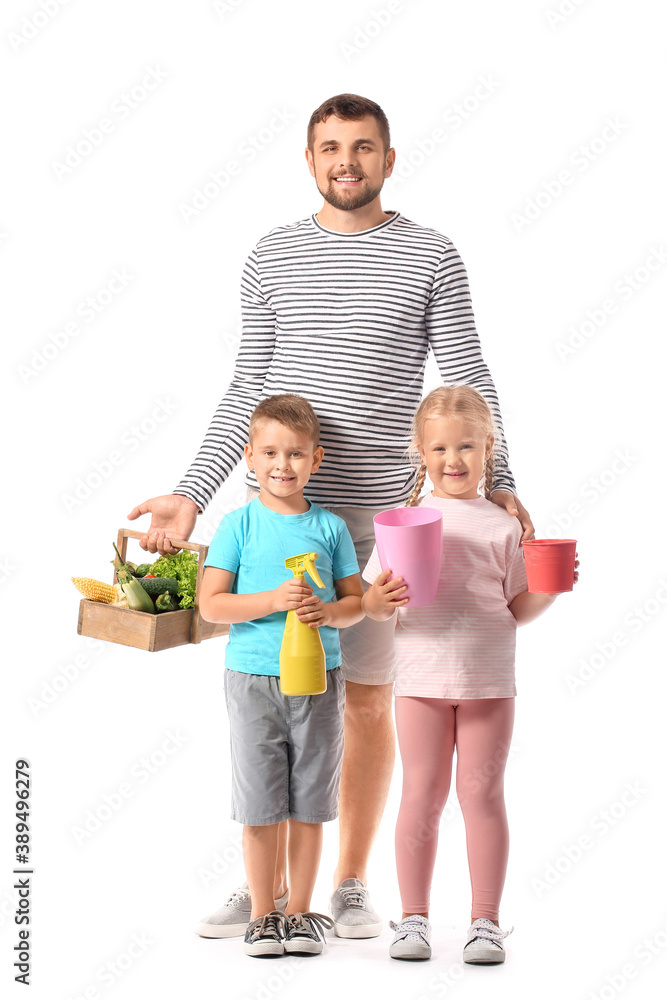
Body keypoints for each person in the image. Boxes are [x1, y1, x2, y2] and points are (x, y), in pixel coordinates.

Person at [127, 93, 535, 938]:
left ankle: (346, 881)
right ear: (309, 161)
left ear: (389, 159)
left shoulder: (430, 255)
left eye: (361, 147)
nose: (344, 161)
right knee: (272, 701)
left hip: (383, 534)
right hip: (277, 528)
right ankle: (268, 883)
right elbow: (247, 383)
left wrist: (503, 480)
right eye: (328, 148)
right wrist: (193, 490)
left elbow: (464, 370)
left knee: (368, 701)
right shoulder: (272, 255)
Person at [362, 385, 578, 964]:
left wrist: (549, 590)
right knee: (422, 795)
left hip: (487, 680)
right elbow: (373, 601)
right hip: (420, 679)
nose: (452, 460)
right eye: (439, 448)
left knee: (482, 795)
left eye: (465, 447)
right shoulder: (401, 523)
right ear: (421, 453)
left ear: (488, 449)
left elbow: (515, 609)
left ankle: (485, 922)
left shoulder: (503, 527)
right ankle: (413, 920)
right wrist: (379, 601)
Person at [198, 394, 364, 957]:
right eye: (270, 452)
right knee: (260, 800)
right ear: (249, 455)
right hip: (252, 680)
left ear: (316, 460)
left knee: (310, 799)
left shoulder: (332, 528)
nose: (282, 465)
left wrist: (329, 613)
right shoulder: (238, 525)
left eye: (295, 454)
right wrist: (271, 598)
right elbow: (211, 605)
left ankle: (300, 914)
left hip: (319, 678)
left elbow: (355, 606)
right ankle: (263, 915)